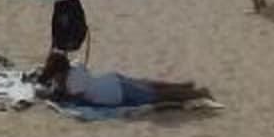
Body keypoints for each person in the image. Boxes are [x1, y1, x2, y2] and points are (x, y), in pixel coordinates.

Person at [38, 50, 209, 108]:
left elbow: (75, 99)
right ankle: (184, 86)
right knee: (149, 84)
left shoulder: (72, 82)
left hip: (116, 92)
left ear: (60, 72)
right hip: (111, 79)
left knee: (156, 96)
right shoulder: (75, 67)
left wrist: (54, 94)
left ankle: (199, 93)